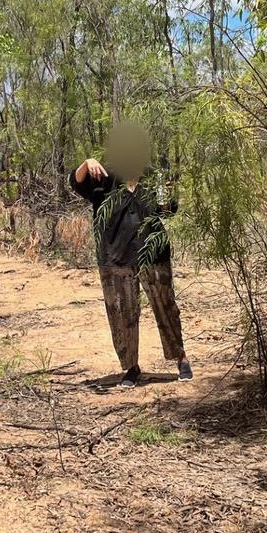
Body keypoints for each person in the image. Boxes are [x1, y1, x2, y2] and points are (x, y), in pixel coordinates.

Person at [70, 121, 192, 388]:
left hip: (154, 254)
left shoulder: (154, 176)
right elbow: (76, 183)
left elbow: (169, 211)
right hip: (115, 258)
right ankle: (131, 367)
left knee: (166, 306)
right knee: (122, 312)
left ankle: (180, 357)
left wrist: (169, 190)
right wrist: (86, 162)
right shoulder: (102, 176)